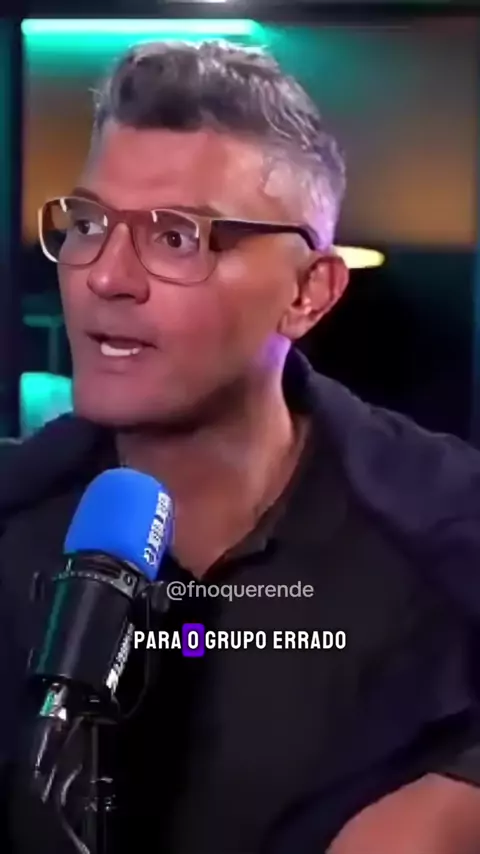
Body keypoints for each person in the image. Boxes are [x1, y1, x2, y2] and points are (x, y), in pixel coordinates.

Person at [1, 39, 480, 854]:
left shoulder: (448, 528)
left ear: (308, 292)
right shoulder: (15, 512)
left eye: (176, 238)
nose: (106, 277)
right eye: (88, 225)